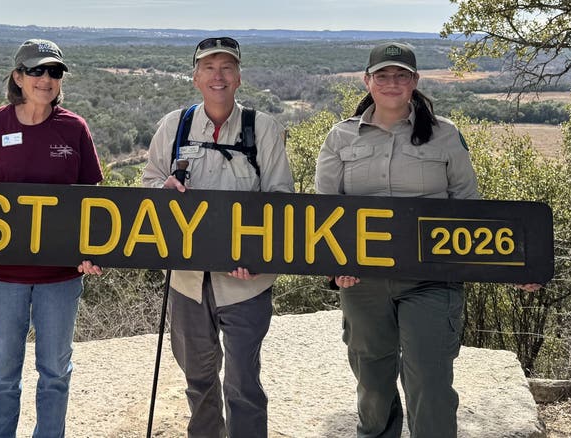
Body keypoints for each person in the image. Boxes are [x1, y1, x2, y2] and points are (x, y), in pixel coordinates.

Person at [314, 42, 479, 438]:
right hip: (363, 282)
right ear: (367, 81)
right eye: (383, 75)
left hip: (432, 280)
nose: (392, 83)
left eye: (401, 75)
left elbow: (469, 206)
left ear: (415, 81)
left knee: (430, 379)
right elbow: (323, 214)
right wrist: (335, 268)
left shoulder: (444, 135)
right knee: (372, 382)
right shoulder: (339, 138)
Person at [142, 36, 294, 438]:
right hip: (187, 281)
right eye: (209, 68)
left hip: (246, 283)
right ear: (195, 77)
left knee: (243, 383)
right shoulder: (173, 126)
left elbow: (281, 201)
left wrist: (258, 256)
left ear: (239, 76)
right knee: (199, 381)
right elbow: (148, 184)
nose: (218, 76)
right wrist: (164, 189)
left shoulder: (263, 128)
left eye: (226, 67)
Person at [0, 38, 104, 438]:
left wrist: (92, 251)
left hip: (60, 277)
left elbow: (93, 199)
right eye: (36, 71)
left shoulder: (74, 128)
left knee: (55, 370)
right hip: (2, 277)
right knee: (3, 371)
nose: (46, 79)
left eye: (54, 71)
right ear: (18, 77)